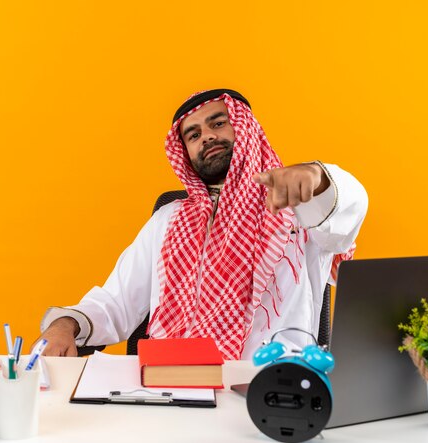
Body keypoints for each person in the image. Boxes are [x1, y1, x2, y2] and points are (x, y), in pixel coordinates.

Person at [36, 89, 368, 360]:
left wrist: (316, 176)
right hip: (174, 388)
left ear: (245, 128)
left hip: (269, 388)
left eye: (218, 123)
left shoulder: (299, 206)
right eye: (193, 134)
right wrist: (66, 324)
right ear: (185, 152)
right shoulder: (167, 220)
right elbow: (117, 303)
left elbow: (350, 209)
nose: (207, 137)